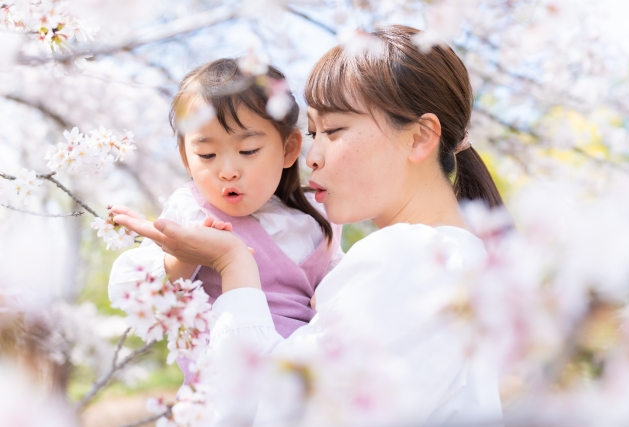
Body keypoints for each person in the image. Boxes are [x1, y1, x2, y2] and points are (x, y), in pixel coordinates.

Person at [113, 25, 504, 426]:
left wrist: (234, 263)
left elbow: (262, 410)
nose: (311, 156)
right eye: (313, 131)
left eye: (333, 130)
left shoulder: (412, 256)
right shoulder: (449, 259)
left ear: (420, 138)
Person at [108, 58, 343, 384]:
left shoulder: (315, 222)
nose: (228, 170)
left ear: (289, 150)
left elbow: (340, 297)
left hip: (298, 380)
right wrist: (181, 256)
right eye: (207, 155)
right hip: (224, 383)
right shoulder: (191, 210)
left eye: (248, 150)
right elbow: (132, 292)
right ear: (185, 157)